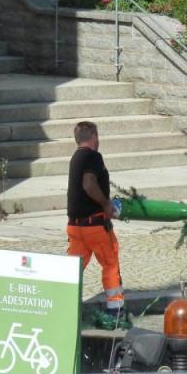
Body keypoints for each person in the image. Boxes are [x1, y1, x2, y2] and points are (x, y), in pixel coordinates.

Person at [66, 121, 124, 318]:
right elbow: (89, 184)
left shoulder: (75, 158)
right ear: (94, 137)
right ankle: (116, 311)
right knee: (110, 264)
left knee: (73, 268)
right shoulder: (93, 156)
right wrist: (107, 204)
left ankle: (65, 305)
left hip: (75, 226)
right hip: (94, 225)